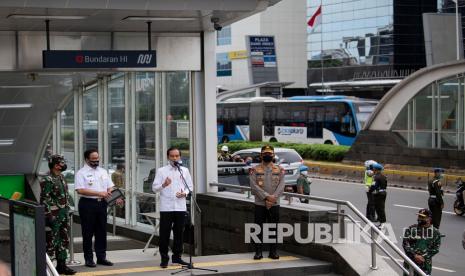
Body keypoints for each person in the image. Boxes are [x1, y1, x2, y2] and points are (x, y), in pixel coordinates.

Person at [75, 149, 123, 268]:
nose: (96, 161)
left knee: (101, 232)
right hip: (87, 204)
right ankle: (89, 259)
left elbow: (110, 187)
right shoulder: (81, 173)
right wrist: (99, 193)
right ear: (86, 159)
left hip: (102, 204)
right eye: (93, 160)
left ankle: (101, 257)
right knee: (88, 232)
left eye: (97, 159)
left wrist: (115, 197)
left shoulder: (103, 171)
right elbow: (80, 190)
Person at [152, 147, 193, 268]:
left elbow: (190, 186)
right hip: (166, 207)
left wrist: (184, 193)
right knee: (164, 233)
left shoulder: (184, 170)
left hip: (180, 207)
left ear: (180, 157)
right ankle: (164, 258)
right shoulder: (162, 171)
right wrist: (164, 184)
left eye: (177, 156)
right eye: (172, 156)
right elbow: (154, 188)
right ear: (168, 157)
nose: (175, 158)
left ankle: (177, 257)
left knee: (179, 233)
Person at [39, 154, 76, 275]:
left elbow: (64, 196)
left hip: (63, 215)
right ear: (55, 165)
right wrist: (49, 216)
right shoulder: (47, 179)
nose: (63, 165)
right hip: (54, 216)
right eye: (61, 163)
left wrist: (67, 210)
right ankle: (47, 268)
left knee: (64, 241)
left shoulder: (61, 177)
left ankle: (62, 265)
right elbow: (44, 199)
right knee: (51, 242)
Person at [250, 145, 285, 260]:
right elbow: (253, 186)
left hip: (274, 204)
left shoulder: (279, 169)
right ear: (261, 155)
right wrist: (266, 198)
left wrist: (273, 198)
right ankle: (258, 252)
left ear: (273, 155)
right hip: (260, 204)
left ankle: (273, 252)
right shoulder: (254, 169)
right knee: (258, 229)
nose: (267, 155)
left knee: (273, 228)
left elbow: (282, 185)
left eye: (269, 154)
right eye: (265, 154)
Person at [402, 209, 441, 276]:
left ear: (429, 219)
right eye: (419, 216)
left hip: (424, 265)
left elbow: (435, 249)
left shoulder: (435, 233)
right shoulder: (411, 229)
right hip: (410, 262)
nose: (419, 218)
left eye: (422, 217)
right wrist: (415, 255)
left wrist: (422, 257)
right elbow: (405, 244)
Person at [370, 163, 387, 229]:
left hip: (378, 194)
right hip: (384, 193)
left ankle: (382, 223)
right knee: (381, 208)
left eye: (374, 169)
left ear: (376, 170)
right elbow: (385, 185)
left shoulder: (376, 177)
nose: (373, 170)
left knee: (379, 209)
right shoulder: (384, 176)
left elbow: (374, 186)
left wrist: (370, 190)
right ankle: (381, 222)